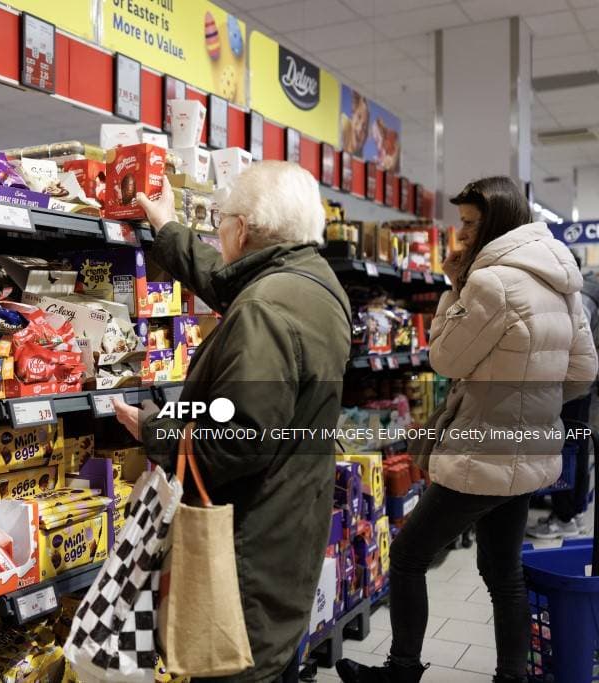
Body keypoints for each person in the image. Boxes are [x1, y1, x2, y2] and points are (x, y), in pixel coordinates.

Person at [337, 176, 599, 683]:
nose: (460, 236)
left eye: (470, 224)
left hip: (482, 450)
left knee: (410, 554)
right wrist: (534, 405)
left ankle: (402, 670)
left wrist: (453, 289)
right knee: (504, 573)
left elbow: (444, 357)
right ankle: (511, 676)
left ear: (497, 224)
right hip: (527, 449)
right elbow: (583, 373)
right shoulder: (562, 283)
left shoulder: (491, 282)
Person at [110, 161, 351, 682]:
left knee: (242, 667)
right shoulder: (315, 286)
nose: (219, 232)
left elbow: (236, 441)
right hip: (291, 525)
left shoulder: (263, 310)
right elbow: (235, 288)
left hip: (247, 550)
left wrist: (157, 429)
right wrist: (170, 231)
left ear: (241, 228)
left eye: (220, 220)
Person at [526, 256, 599, 539]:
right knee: (576, 447)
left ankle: (566, 516)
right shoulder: (582, 293)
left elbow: (570, 346)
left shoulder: (582, 300)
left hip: (574, 386)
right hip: (583, 385)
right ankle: (573, 512)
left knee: (567, 448)